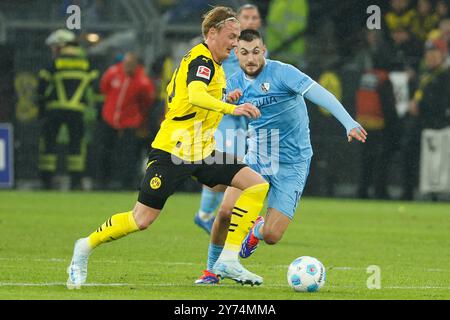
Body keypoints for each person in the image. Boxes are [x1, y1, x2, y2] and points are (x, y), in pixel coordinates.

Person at [67, 6, 270, 289]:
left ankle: (229, 259)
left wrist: (225, 95)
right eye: (231, 36)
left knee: (256, 185)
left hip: (203, 151)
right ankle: (84, 247)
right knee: (141, 219)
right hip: (174, 152)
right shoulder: (203, 60)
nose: (236, 42)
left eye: (238, 37)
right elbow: (197, 95)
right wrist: (231, 107)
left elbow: (189, 96)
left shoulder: (213, 64)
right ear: (212, 33)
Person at [195, 29, 367, 285]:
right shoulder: (232, 83)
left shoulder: (283, 73)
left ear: (263, 50)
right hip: (257, 157)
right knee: (226, 211)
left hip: (293, 164)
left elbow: (322, 94)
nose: (250, 58)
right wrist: (224, 103)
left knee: (273, 235)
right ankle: (211, 271)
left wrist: (348, 122)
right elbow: (208, 109)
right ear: (236, 54)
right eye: (244, 53)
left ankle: (256, 230)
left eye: (255, 52)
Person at [194, 3, 263, 234]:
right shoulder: (226, 48)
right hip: (224, 115)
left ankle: (212, 214)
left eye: (254, 17)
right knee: (226, 166)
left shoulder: (260, 51)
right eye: (246, 17)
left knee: (235, 168)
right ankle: (211, 215)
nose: (251, 21)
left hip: (243, 117)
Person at [38, 29, 99, 190]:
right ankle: (76, 182)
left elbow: (42, 89)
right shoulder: (86, 64)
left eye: (54, 47)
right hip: (77, 112)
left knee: (49, 146)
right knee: (76, 147)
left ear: (60, 46)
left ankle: (47, 182)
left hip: (54, 111)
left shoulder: (54, 64)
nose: (53, 50)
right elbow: (95, 90)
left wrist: (41, 109)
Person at [96, 52, 156, 190]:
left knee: (128, 155)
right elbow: (104, 88)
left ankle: (125, 183)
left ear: (136, 65)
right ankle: (103, 181)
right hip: (109, 119)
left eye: (130, 65)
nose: (127, 67)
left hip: (130, 122)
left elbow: (147, 101)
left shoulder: (142, 81)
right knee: (105, 151)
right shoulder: (112, 73)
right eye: (126, 64)